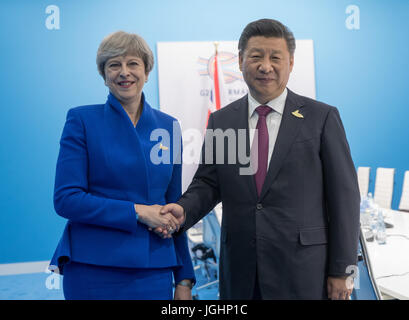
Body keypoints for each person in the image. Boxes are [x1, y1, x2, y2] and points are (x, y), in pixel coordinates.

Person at [158, 19, 360, 300]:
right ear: (240, 61)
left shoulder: (320, 118)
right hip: (241, 271)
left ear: (290, 63)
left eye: (275, 57)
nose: (266, 66)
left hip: (303, 272)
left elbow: (345, 199)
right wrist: (184, 210)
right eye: (256, 56)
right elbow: (208, 183)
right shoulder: (223, 120)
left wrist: (344, 270)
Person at [49, 31, 195, 300]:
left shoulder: (169, 127)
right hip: (93, 267)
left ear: (146, 72)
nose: (124, 72)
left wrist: (184, 279)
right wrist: (138, 211)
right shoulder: (82, 120)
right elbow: (66, 199)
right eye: (114, 65)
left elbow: (174, 205)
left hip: (154, 268)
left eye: (133, 64)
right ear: (104, 74)